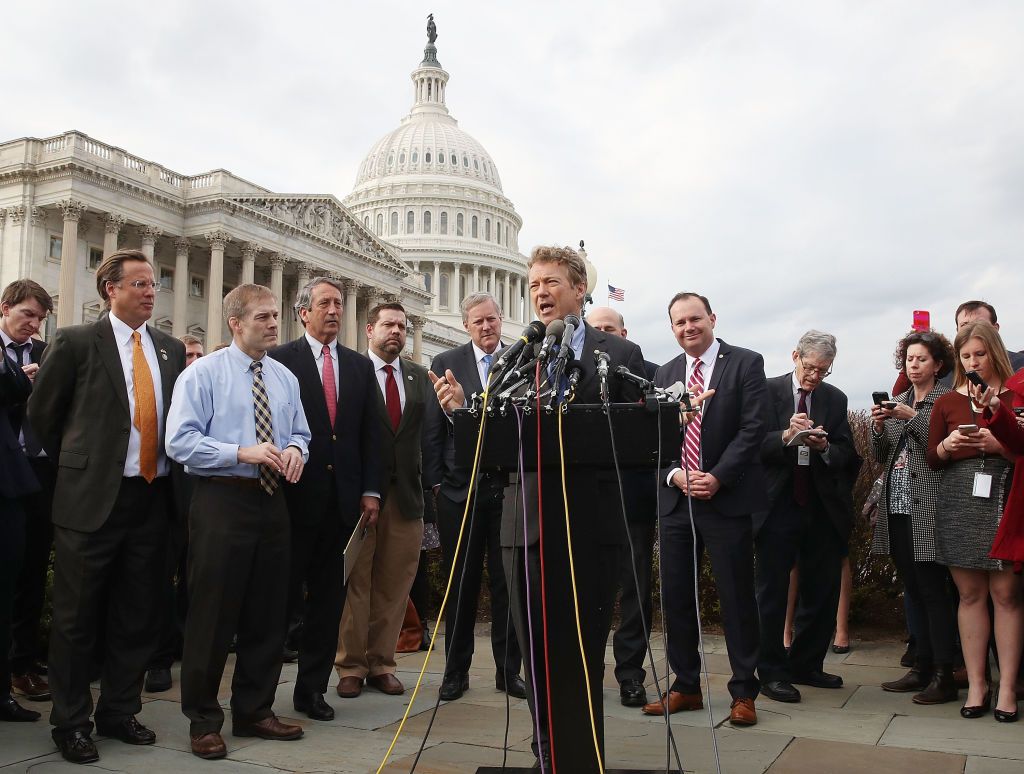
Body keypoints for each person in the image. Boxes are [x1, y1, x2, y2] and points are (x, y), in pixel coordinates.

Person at [432, 245, 646, 770]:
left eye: (551, 282)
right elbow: (490, 444)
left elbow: (635, 436)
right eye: (533, 285)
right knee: (535, 652)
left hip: (590, 528)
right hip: (522, 523)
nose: (541, 293)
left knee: (582, 652)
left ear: (578, 289)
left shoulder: (617, 354)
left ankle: (581, 754)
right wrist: (464, 414)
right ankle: (545, 751)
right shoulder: (518, 357)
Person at [29, 250, 185, 764]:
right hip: (90, 502)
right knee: (77, 619)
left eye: (152, 284)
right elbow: (43, 419)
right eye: (138, 283)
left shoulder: (168, 349)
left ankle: (119, 710)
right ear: (109, 290)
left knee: (137, 615)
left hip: (151, 499)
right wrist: (80, 472)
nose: (149, 290)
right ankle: (71, 721)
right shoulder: (74, 342)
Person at [166, 283, 311, 759]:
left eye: (276, 316)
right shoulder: (203, 375)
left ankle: (255, 710)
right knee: (212, 614)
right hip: (221, 501)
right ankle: (204, 721)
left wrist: (294, 450)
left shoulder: (285, 378)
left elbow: (301, 434)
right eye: (264, 317)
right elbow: (180, 443)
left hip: (273, 503)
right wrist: (239, 452)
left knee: (269, 612)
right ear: (236, 322)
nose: (274, 324)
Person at [644, 292, 767, 727]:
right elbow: (656, 436)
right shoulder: (665, 373)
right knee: (677, 596)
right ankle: (686, 686)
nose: (687, 328)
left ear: (712, 318)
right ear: (672, 328)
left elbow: (754, 428)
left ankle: (743, 692)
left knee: (736, 597)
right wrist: (675, 474)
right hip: (678, 502)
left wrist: (717, 476)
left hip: (725, 499)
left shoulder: (746, 363)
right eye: (679, 322)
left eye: (695, 319)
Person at [268, 277, 380, 721]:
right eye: (325, 304)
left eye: (338, 303)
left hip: (342, 505)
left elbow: (371, 435)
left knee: (328, 604)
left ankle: (311, 691)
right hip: (292, 502)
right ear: (303, 313)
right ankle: (258, 690)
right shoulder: (280, 361)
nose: (335, 310)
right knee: (278, 600)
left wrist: (371, 490)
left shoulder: (358, 366)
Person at [423, 292, 526, 702]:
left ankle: (508, 671)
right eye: (478, 321)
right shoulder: (445, 363)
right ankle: (455, 672)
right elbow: (433, 431)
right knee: (460, 585)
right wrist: (435, 484)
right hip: (457, 491)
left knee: (509, 585)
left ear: (502, 320)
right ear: (466, 325)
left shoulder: (520, 362)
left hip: (507, 489)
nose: (487, 327)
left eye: (492, 319)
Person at [754, 331, 860, 704]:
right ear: (795, 355)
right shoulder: (765, 391)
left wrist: (826, 445)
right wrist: (785, 436)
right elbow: (749, 443)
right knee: (772, 591)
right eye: (810, 367)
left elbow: (850, 453)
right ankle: (771, 671)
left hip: (820, 504)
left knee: (822, 587)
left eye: (823, 371)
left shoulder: (835, 399)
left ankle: (807, 664)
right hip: (776, 503)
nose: (815, 376)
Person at [335, 302, 432, 699]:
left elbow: (428, 437)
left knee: (395, 585)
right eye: (388, 325)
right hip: (362, 496)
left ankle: (382, 663)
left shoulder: (418, 377)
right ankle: (350, 666)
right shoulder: (352, 372)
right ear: (370, 328)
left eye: (402, 326)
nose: (396, 331)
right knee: (357, 583)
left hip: (407, 496)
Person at [927, 320, 1020, 722]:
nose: (973, 362)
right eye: (966, 356)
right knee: (969, 596)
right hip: (959, 499)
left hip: (1005, 496)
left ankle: (1008, 688)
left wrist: (997, 442)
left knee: (1006, 596)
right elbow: (932, 458)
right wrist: (947, 446)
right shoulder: (947, 401)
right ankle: (978, 685)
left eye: (980, 353)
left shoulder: (1016, 394)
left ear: (995, 351)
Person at [870, 331, 959, 704]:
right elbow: (880, 455)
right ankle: (920, 666)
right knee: (914, 587)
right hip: (898, 505)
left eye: (922, 359)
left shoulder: (947, 399)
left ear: (938, 364)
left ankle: (944, 673)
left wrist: (911, 418)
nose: (914, 365)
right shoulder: (899, 400)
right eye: (909, 359)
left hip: (932, 506)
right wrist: (877, 428)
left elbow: (941, 448)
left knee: (934, 590)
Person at [586, 305, 659, 707]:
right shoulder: (572, 368)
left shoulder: (646, 370)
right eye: (596, 330)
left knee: (634, 592)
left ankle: (630, 674)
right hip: (583, 499)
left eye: (609, 331)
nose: (603, 338)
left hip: (630, 499)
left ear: (624, 334)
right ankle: (587, 674)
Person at [1, 280, 54, 703]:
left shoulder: (44, 354)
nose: (33, 326)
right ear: (5, 308)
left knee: (33, 570)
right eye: (27, 315)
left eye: (39, 319)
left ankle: (24, 664)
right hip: (4, 473)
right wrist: (17, 382)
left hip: (39, 472)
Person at [1, 315, 42, 723]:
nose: (33, 323)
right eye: (27, 313)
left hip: (16, 480)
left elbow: (17, 393)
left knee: (14, 585)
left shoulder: (27, 355)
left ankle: (9, 681)